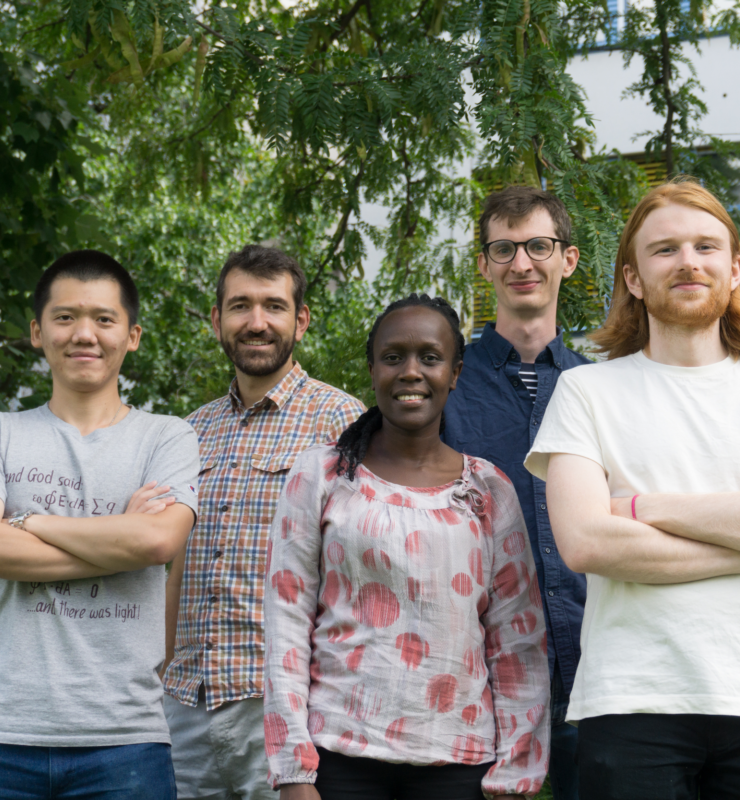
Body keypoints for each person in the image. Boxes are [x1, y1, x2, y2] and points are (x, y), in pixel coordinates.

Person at [525, 178, 740, 800]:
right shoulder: (588, 391)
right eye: (665, 249)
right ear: (634, 278)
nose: (689, 262)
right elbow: (587, 543)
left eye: (705, 246)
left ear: (734, 270)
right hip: (630, 702)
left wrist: (645, 509)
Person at [262, 294, 550, 800]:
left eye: (430, 358)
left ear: (455, 373)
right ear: (372, 370)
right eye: (393, 357)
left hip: (459, 762)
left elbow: (517, 640)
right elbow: (286, 621)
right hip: (339, 757)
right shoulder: (323, 477)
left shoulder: (488, 491)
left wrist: (516, 769)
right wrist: (293, 768)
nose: (411, 371)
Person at [0, 250, 199, 799]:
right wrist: (117, 541)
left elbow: (157, 539)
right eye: (65, 317)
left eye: (104, 319)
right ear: (37, 332)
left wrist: (26, 521)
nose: (85, 334)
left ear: (132, 335)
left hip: (126, 741)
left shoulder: (167, 437)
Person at [162, 245, 364, 800]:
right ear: (217, 320)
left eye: (273, 306)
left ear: (299, 320)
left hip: (284, 706)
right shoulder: (188, 432)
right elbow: (177, 560)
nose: (256, 323)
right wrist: (161, 672)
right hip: (187, 703)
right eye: (240, 306)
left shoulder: (343, 423)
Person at [442, 185, 591, 799]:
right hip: (481, 673)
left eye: (537, 246)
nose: (521, 264)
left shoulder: (600, 389)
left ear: (568, 259)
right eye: (503, 249)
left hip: (595, 665)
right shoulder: (444, 387)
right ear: (482, 263)